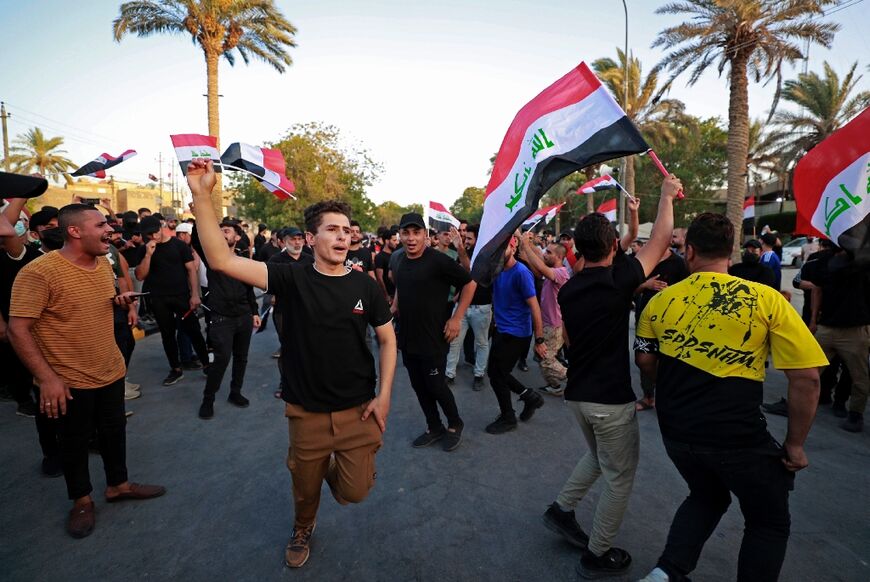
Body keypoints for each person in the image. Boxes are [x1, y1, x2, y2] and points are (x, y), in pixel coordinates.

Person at [186, 159, 396, 569]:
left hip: (359, 409)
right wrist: (202, 195)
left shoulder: (364, 286)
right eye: (332, 229)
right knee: (305, 489)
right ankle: (303, 526)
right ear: (311, 237)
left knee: (355, 492)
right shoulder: (290, 277)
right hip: (306, 411)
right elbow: (222, 261)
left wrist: (385, 396)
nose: (342, 236)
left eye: (346, 230)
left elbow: (388, 340)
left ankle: (334, 468)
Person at [634, 213, 827, 582]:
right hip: (737, 436)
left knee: (706, 495)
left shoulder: (659, 302)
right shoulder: (766, 300)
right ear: (731, 252)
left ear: (689, 251)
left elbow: (644, 360)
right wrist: (795, 445)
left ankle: (665, 574)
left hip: (677, 431)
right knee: (768, 520)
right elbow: (807, 378)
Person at [543, 178, 680, 579]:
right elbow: (661, 238)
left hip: (579, 396)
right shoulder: (619, 282)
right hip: (609, 402)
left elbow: (644, 241)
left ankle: (561, 509)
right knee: (619, 476)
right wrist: (668, 195)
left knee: (600, 459)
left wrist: (637, 215)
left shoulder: (570, 290)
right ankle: (597, 553)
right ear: (611, 246)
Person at [8, 203, 166, 538]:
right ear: (75, 231)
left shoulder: (102, 265)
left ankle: (118, 485)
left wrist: (117, 302)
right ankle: (82, 500)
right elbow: (17, 329)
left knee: (114, 431)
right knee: (74, 442)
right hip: (67, 379)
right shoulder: (39, 272)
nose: (110, 230)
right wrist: (48, 378)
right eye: (101, 225)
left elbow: (83, 305)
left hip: (109, 368)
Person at [392, 212, 475, 451]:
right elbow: (400, 285)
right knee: (419, 386)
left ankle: (455, 423)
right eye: (406, 233)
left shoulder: (437, 260)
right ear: (400, 235)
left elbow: (469, 283)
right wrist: (395, 305)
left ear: (425, 235)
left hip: (433, 338)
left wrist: (457, 318)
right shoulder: (398, 260)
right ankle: (434, 426)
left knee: (436, 385)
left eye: (416, 232)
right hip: (408, 337)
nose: (411, 238)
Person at [193, 221, 261, 418]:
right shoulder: (213, 260)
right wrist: (199, 216)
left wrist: (254, 312)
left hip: (244, 317)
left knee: (242, 357)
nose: (222, 234)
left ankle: (235, 392)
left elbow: (249, 289)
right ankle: (208, 399)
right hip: (222, 319)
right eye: (219, 230)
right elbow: (198, 242)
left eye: (226, 231)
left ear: (236, 237)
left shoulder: (242, 261)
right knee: (221, 359)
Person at [133, 215, 210, 385]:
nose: (153, 237)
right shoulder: (144, 249)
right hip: (159, 298)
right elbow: (140, 275)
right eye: (148, 235)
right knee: (167, 335)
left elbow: (191, 270)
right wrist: (148, 255)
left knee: (194, 330)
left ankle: (206, 364)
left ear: (161, 227)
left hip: (181, 296)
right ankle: (175, 368)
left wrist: (195, 295)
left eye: (155, 232)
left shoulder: (179, 245)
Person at [484, 234, 547, 434]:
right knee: (496, 373)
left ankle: (509, 417)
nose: (501, 251)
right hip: (502, 330)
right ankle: (529, 397)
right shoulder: (496, 270)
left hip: (517, 333)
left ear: (514, 245)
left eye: (505, 247)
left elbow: (535, 307)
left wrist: (539, 340)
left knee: (497, 375)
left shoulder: (521, 272)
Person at [804, 243, 870, 433]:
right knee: (809, 371)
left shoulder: (863, 262)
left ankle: (855, 414)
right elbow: (817, 289)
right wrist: (814, 319)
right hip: (827, 327)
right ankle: (800, 403)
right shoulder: (825, 261)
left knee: (859, 377)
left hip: (855, 330)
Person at [634, 242, 690, 411]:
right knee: (643, 359)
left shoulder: (679, 263)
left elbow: (688, 290)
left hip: (671, 321)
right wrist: (646, 285)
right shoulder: (642, 261)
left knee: (668, 360)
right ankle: (648, 396)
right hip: (644, 318)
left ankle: (669, 395)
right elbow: (629, 289)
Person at [517, 232, 570, 396]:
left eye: (549, 252)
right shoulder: (552, 271)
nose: (545, 254)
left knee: (547, 360)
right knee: (541, 358)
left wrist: (525, 245)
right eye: (545, 251)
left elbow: (540, 267)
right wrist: (524, 241)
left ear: (559, 256)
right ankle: (554, 386)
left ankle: (576, 378)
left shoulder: (561, 273)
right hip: (547, 324)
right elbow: (538, 267)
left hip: (553, 326)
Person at [445, 224, 492, 390]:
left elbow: (470, 270)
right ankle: (449, 374)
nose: (466, 241)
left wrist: (459, 247)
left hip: (482, 308)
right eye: (465, 238)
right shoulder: (463, 252)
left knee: (481, 343)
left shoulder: (488, 256)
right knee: (454, 341)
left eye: (469, 238)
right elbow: (461, 277)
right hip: (462, 308)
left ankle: (479, 375)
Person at [374, 228, 398, 303]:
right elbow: (379, 278)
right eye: (394, 240)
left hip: (397, 294)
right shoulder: (380, 257)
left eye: (397, 240)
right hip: (388, 296)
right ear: (387, 241)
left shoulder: (396, 255)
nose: (397, 242)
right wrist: (386, 295)